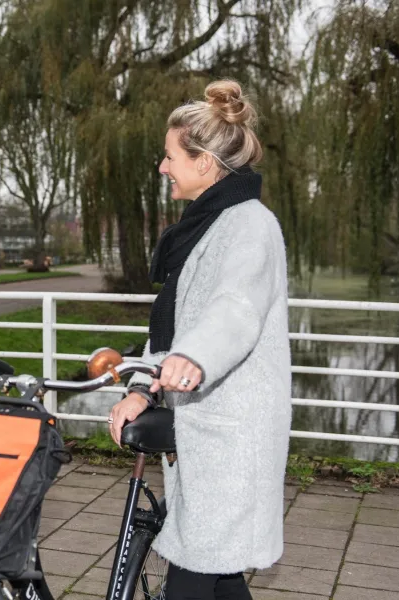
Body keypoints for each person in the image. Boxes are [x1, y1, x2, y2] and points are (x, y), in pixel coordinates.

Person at [107, 80, 291, 600]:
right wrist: (142, 389)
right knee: (219, 575)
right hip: (204, 429)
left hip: (235, 434)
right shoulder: (206, 226)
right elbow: (174, 325)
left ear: (205, 163)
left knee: (192, 575)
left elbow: (236, 309)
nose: (162, 167)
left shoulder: (250, 226)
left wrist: (194, 356)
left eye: (169, 157)